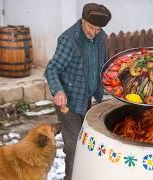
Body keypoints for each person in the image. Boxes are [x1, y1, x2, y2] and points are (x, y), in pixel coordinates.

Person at [44, 3, 111, 180]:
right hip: (68, 102)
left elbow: (103, 64)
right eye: (90, 27)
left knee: (89, 143)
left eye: (98, 29)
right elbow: (52, 69)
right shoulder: (69, 40)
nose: (93, 32)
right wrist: (58, 91)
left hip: (87, 98)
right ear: (82, 20)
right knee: (74, 147)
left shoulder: (101, 37)